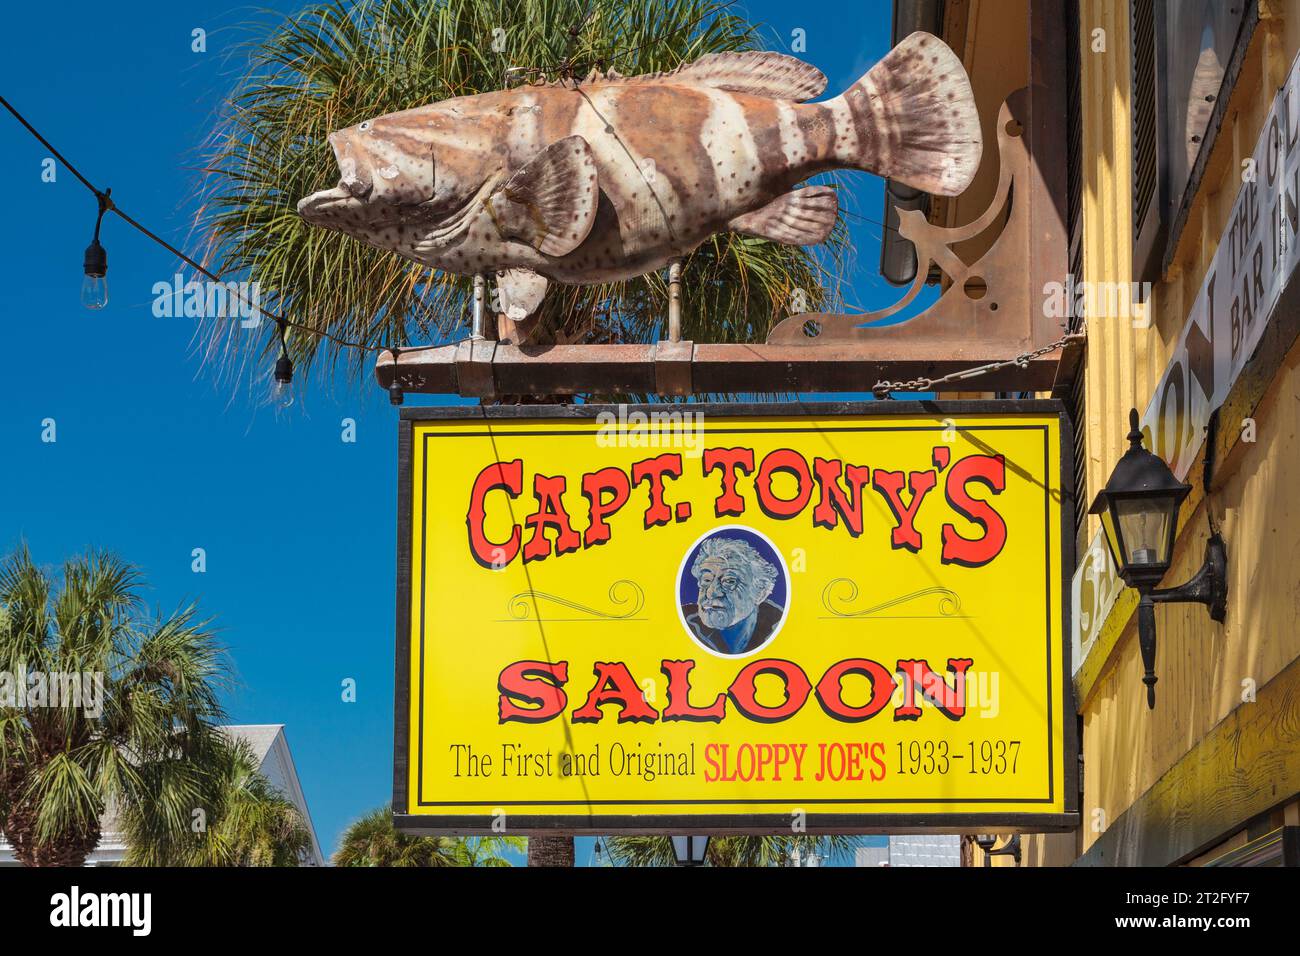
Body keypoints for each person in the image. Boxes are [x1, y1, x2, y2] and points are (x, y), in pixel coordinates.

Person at [682, 536, 784, 656]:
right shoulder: (683, 620)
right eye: (707, 579)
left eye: (729, 581)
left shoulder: (784, 628)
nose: (711, 592)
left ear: (760, 593)